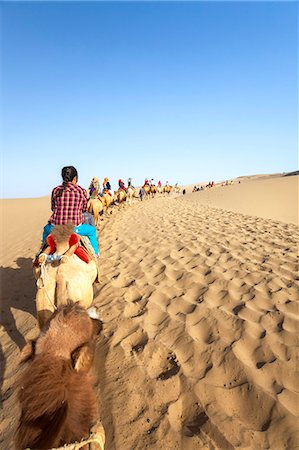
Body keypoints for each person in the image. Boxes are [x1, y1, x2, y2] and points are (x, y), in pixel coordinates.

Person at [42, 166, 99, 256]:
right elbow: (84, 209)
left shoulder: (56, 190)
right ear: (75, 178)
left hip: (56, 228)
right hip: (75, 228)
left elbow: (53, 208)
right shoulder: (81, 191)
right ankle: (95, 254)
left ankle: (43, 250)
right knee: (92, 231)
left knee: (46, 230)